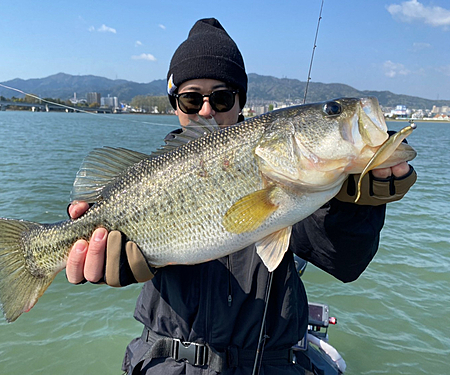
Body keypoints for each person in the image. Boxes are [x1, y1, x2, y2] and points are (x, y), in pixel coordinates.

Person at [66, 18, 417, 374]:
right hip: (163, 362)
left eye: (221, 98)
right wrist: (108, 260)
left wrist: (353, 206)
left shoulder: (305, 188)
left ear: (240, 101)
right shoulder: (145, 180)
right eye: (190, 99)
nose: (206, 110)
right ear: (175, 104)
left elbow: (345, 260)